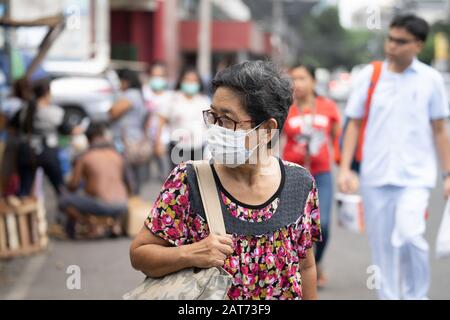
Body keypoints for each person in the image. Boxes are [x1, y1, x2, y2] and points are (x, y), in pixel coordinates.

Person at [130, 61, 321, 300]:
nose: (216, 129)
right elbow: (140, 254)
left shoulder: (299, 184)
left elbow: (305, 267)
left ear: (267, 129)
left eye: (227, 120)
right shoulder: (189, 181)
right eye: (213, 116)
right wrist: (191, 253)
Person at [338, 14, 450, 300]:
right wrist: (345, 169)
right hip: (375, 176)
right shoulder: (370, 76)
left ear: (418, 45)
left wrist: (448, 174)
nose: (392, 46)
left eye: (400, 42)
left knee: (411, 235)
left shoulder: (431, 80)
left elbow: (439, 130)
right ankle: (388, 296)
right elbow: (353, 122)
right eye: (390, 39)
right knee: (383, 246)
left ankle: (417, 295)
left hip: (416, 177)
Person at [282, 63, 341, 287]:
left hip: (321, 175)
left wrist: (343, 168)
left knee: (322, 225)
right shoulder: (285, 108)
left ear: (314, 81)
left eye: (302, 78)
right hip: (292, 176)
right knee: (291, 225)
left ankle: (317, 263)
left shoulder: (328, 107)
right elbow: (273, 138)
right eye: (293, 79)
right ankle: (296, 270)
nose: (297, 84)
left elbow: (338, 139)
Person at [13, 78, 82, 197]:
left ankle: (24, 213)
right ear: (47, 93)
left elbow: (12, 127)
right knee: (60, 188)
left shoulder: (24, 109)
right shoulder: (54, 112)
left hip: (26, 151)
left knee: (24, 189)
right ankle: (66, 210)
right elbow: (67, 130)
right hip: (48, 152)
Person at [59, 123, 129, 238]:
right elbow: (130, 183)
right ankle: (115, 225)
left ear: (88, 139)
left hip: (102, 205)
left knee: (64, 200)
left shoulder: (85, 157)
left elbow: (73, 185)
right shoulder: (117, 155)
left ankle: (93, 225)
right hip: (122, 204)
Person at [154, 66, 210, 170]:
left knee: (196, 179)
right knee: (178, 179)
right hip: (178, 147)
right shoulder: (172, 99)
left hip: (198, 146)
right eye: (187, 80)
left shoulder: (204, 100)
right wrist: (159, 142)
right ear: (181, 81)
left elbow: (209, 124)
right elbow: (162, 120)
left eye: (194, 80)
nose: (190, 83)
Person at [110, 69, 150, 195]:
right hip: (135, 139)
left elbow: (114, 112)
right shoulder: (139, 94)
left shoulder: (130, 95)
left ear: (126, 81)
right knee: (133, 177)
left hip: (126, 141)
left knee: (126, 175)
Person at [143, 62, 173, 182]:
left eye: (160, 76)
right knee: (145, 177)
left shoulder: (170, 96)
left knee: (165, 176)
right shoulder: (144, 93)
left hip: (164, 140)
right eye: (154, 75)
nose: (157, 79)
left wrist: (159, 141)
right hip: (145, 140)